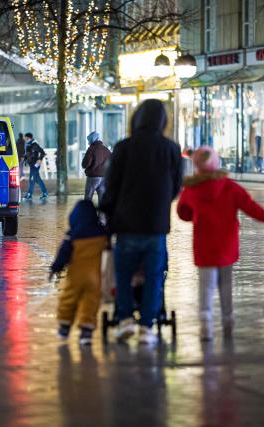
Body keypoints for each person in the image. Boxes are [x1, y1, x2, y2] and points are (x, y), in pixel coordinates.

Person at [176, 146, 264, 341]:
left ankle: (205, 323)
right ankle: (227, 319)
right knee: (226, 284)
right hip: (226, 243)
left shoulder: (191, 189)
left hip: (203, 244)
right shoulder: (229, 186)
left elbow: (182, 213)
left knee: (205, 285)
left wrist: (194, 215)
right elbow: (250, 206)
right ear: (216, 163)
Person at [100, 99, 183, 346]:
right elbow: (176, 186)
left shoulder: (124, 147)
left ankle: (125, 318)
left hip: (126, 224)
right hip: (155, 225)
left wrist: (106, 209)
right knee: (154, 275)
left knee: (123, 274)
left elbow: (111, 186)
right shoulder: (171, 149)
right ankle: (147, 325)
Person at [50, 200, 108, 346]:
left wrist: (55, 269)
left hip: (75, 276)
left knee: (69, 299)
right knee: (91, 301)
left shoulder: (72, 235)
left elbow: (63, 254)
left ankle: (64, 327)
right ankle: (86, 331)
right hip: (95, 276)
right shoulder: (102, 234)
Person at [81, 131, 111, 204]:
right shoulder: (106, 150)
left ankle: (87, 214)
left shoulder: (91, 149)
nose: (88, 142)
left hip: (93, 177)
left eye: (89, 140)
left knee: (88, 198)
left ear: (91, 140)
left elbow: (85, 164)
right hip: (104, 177)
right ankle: (102, 215)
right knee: (102, 199)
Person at [23, 132, 48, 200]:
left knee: (32, 180)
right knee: (37, 179)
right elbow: (28, 154)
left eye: (25, 138)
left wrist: (39, 160)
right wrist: (25, 159)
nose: (24, 139)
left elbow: (42, 152)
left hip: (35, 165)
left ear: (28, 138)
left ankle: (29, 195)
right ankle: (45, 193)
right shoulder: (28, 144)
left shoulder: (34, 144)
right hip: (32, 165)